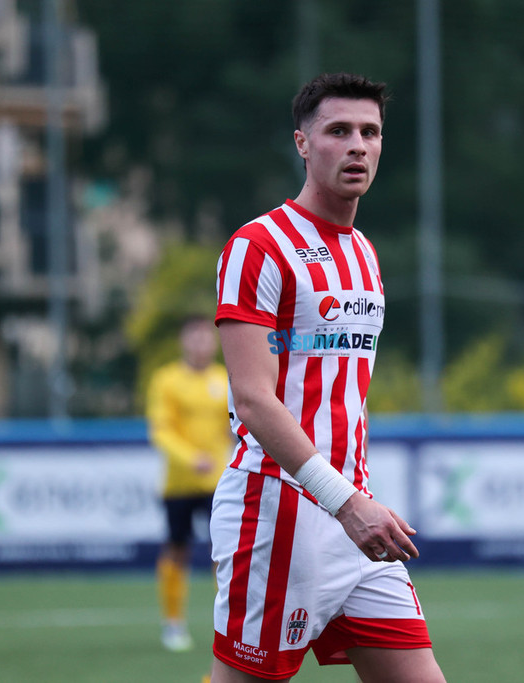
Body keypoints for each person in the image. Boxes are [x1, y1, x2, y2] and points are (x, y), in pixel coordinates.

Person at [210, 73, 446, 682]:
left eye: (370, 132)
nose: (358, 146)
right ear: (302, 143)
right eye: (338, 131)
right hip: (277, 513)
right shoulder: (258, 246)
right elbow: (253, 400)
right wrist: (347, 503)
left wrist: (352, 503)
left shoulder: (364, 253)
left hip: (356, 522)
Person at [146, 315, 233, 652]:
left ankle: (229, 623)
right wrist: (190, 458)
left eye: (206, 337)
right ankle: (173, 623)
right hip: (179, 483)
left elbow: (235, 425)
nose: (200, 343)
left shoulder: (224, 377)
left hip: (219, 482)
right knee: (176, 548)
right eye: (194, 337)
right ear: (183, 341)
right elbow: (161, 430)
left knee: (223, 552)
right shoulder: (166, 380)